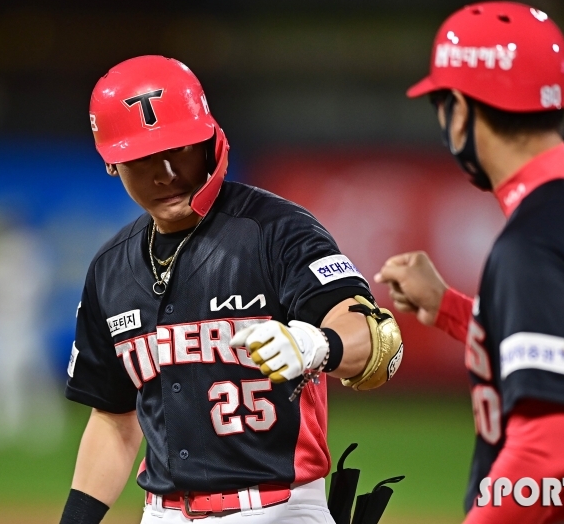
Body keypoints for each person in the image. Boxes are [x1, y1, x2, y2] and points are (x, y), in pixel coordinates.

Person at [59, 55, 403, 524]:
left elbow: (376, 338)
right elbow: (114, 420)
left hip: (279, 508)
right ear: (112, 165)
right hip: (162, 514)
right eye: (142, 158)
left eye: (179, 148)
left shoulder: (278, 231)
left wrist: (317, 343)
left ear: (208, 141)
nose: (164, 171)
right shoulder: (110, 269)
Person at [375, 1, 564, 524]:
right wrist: (448, 307)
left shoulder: (535, 243)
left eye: (442, 104)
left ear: (463, 110)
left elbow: (543, 455)